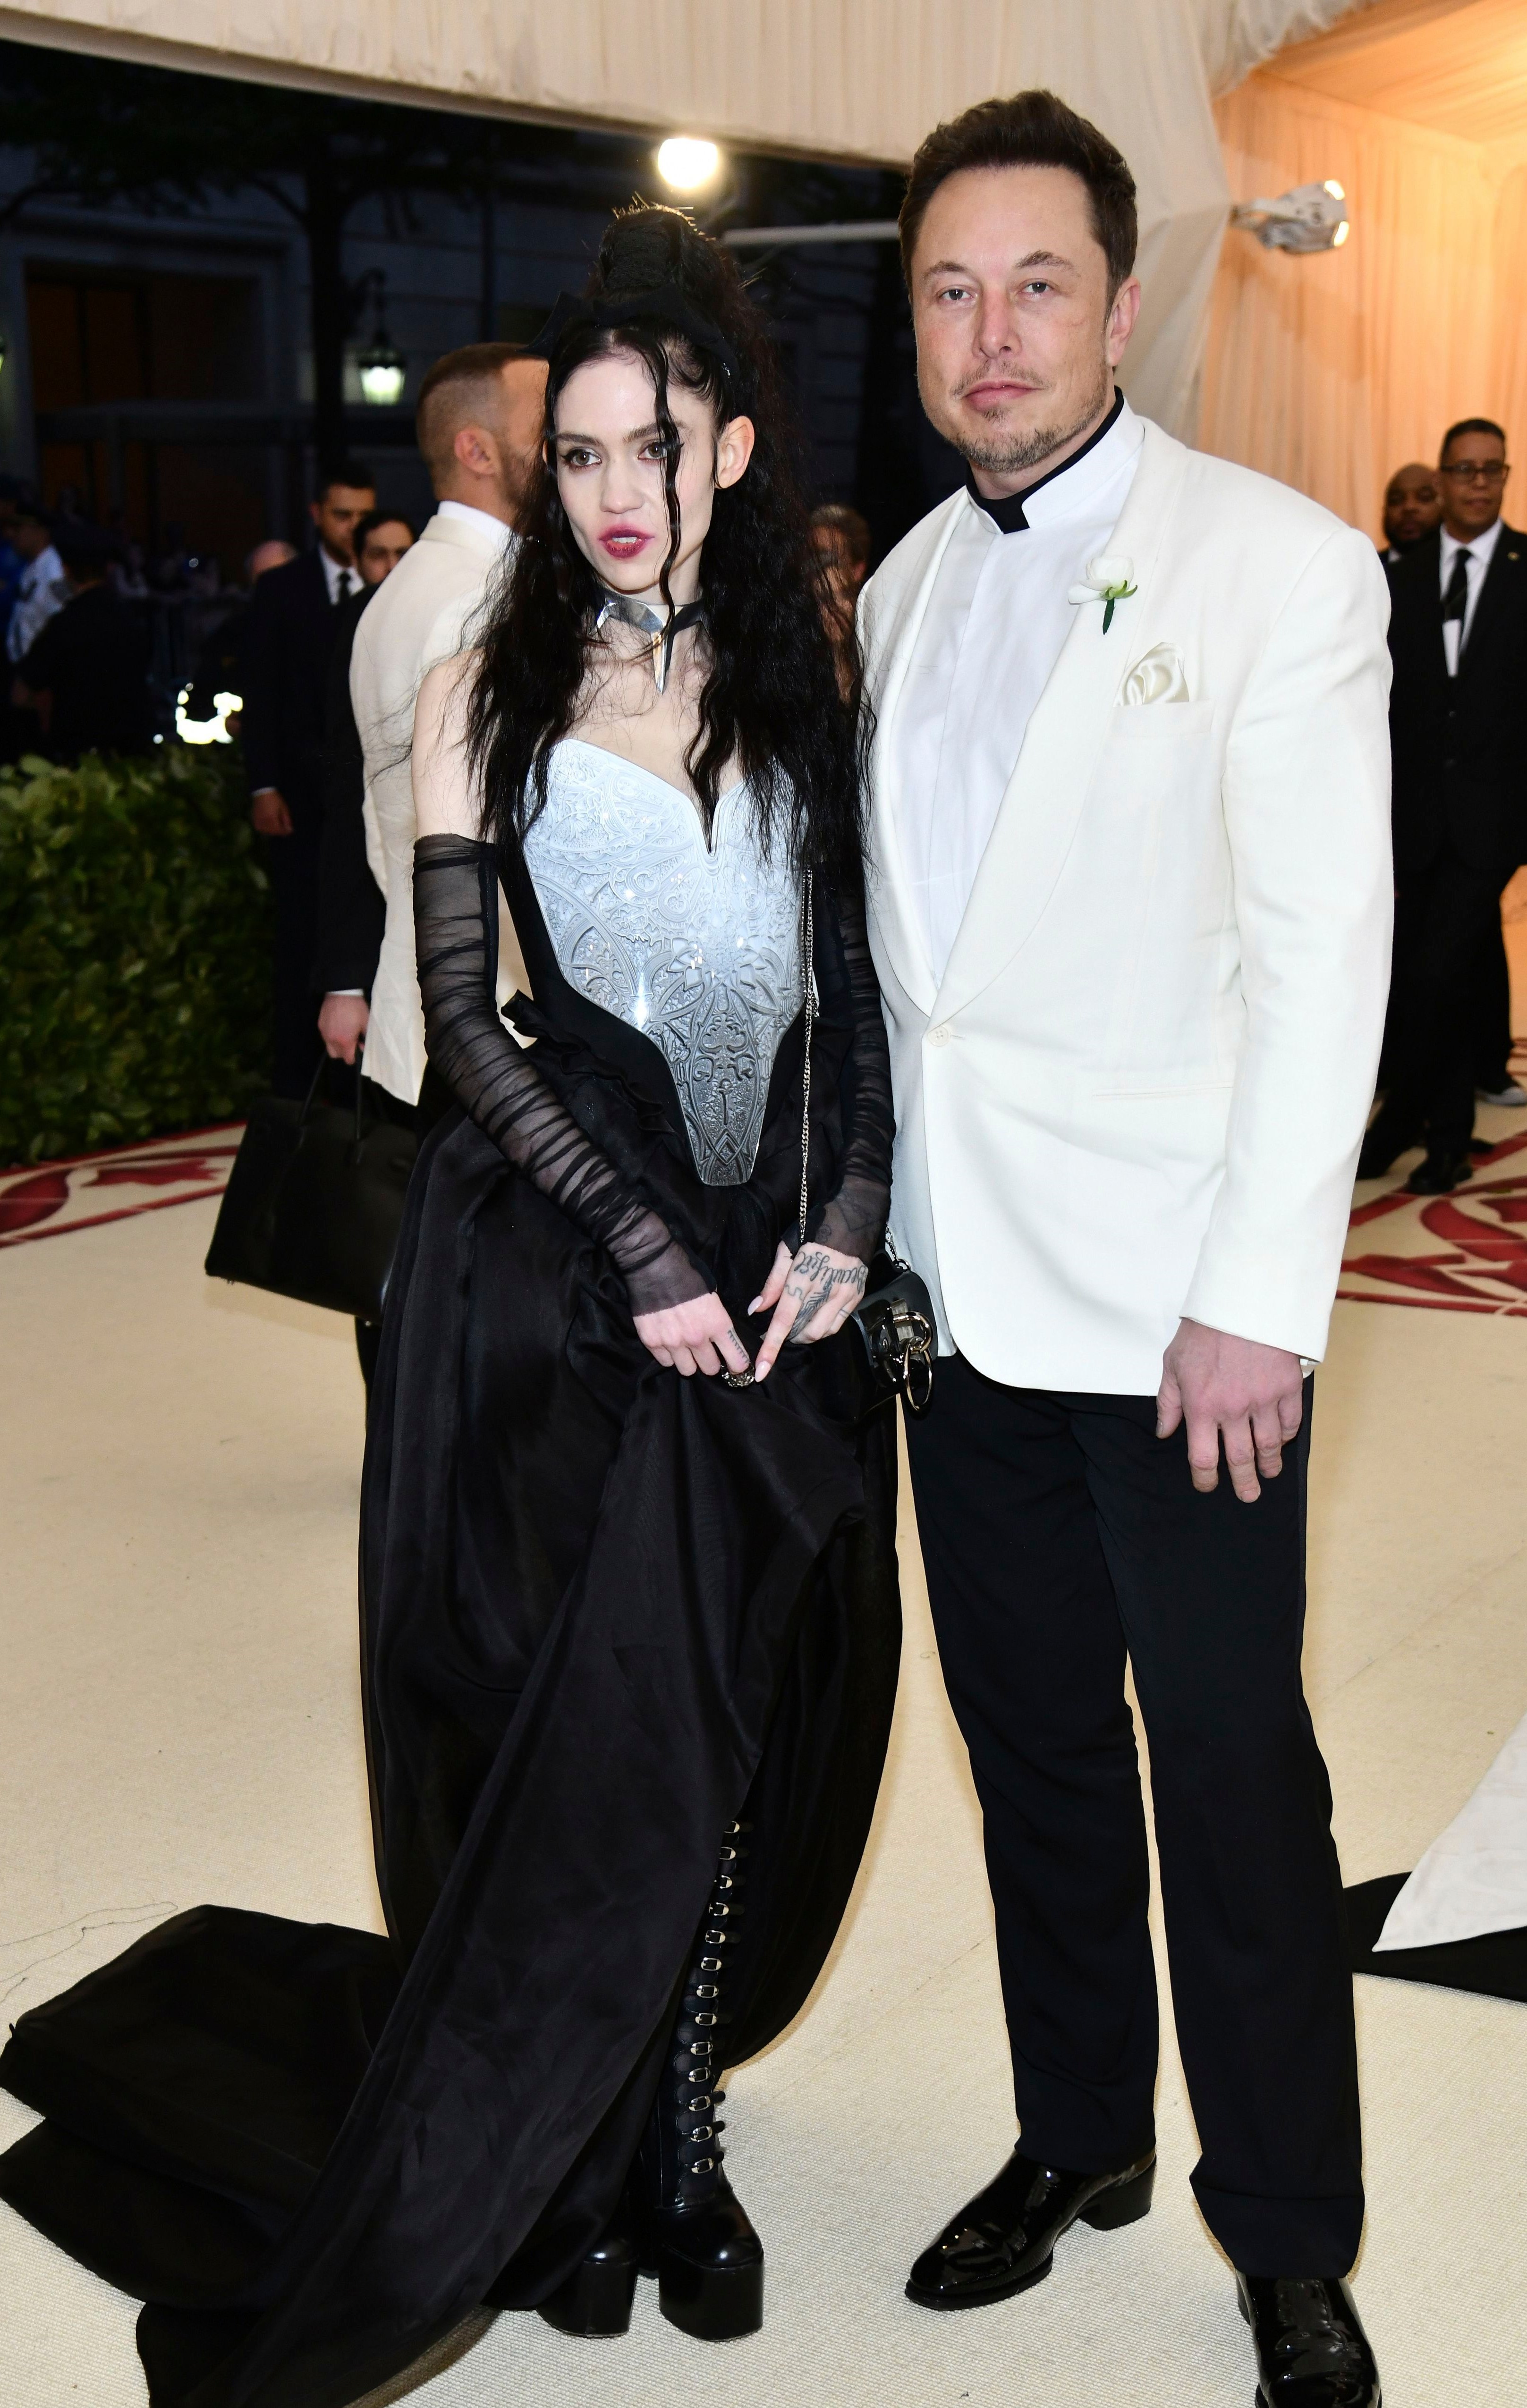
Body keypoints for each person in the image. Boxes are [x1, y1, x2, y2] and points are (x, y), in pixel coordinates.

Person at [0, 205, 901, 2407]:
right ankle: (576, 2159)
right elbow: (478, 1034)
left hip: (778, 1304)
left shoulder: (807, 686)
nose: (612, 490)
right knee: (568, 1744)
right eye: (582, 450)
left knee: (726, 1743)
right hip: (562, 1293)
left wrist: (853, 1216)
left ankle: (679, 2137)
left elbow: (858, 997)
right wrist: (650, 1248)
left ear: (731, 454)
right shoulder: (496, 686)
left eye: (655, 449)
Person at [859, 92, 1390, 2406]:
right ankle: (1074, 2135)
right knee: (1032, 1755)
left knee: (1232, 1779)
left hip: (1189, 1325)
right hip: (960, 1310)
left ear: (1124, 301)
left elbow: (1319, 961)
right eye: (948, 292)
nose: (991, 336)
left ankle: (1282, 2233)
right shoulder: (885, 589)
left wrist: (1260, 1293)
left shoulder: (1275, 569)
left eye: (1035, 283)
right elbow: (906, 988)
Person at [316, 343, 548, 1105]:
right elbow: (507, 847)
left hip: (423, 1015)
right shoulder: (484, 602)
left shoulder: (397, 594)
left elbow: (381, 831)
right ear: (475, 449)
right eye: (545, 425)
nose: (567, 444)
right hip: (500, 1036)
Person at [1360, 416, 1527, 1190]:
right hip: (1413, 819)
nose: (1473, 483)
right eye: (1460, 471)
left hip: (1493, 821)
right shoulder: (1398, 570)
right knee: (1445, 976)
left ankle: (1411, 1126)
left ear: (1502, 478)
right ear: (1441, 476)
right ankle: (1440, 1138)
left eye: (1487, 470)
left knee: (1433, 973)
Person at [240, 461, 377, 1095]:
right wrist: (261, 784)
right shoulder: (283, 588)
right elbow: (261, 692)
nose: (351, 527)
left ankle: (357, 1082)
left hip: (362, 795)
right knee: (298, 934)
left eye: (361, 515)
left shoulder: (388, 587)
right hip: (298, 795)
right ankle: (298, 1085)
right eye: (342, 515)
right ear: (317, 515)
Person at [10, 521, 153, 761]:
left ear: (66, 569)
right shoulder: (131, 621)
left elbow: (21, 694)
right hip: (131, 754)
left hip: (77, 756)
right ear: (108, 569)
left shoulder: (63, 625)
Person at [180, 537, 297, 730]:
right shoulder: (232, 636)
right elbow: (199, 706)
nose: (270, 588)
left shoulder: (324, 627)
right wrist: (225, 724)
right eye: (262, 580)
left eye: (277, 579)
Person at [4, 500, 66, 666]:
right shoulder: (31, 568)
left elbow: (63, 629)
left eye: (18, 528)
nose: (11, 534)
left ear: (41, 532)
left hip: (43, 674)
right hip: (23, 668)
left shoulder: (53, 573)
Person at [1380, 460, 1442, 563]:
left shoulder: (1457, 569)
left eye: (1424, 498)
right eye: (1396, 500)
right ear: (1385, 511)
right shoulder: (1366, 569)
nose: (1409, 507)